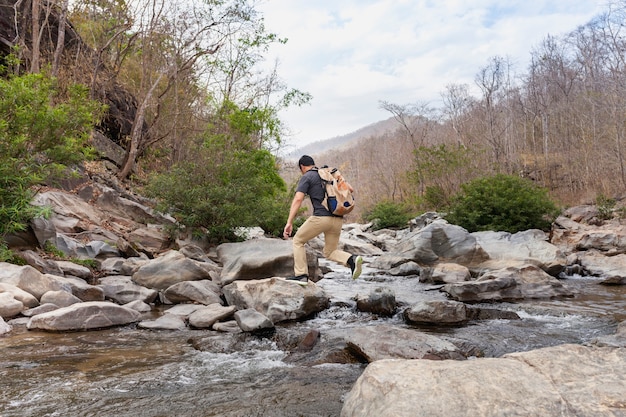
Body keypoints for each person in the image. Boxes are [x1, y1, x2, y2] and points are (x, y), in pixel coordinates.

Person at [283, 155, 363, 284]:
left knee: (298, 241)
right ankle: (351, 259)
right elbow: (350, 189)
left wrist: (289, 222)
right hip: (337, 219)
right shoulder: (328, 174)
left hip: (321, 218)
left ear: (302, 167)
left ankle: (301, 275)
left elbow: (298, 199)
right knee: (330, 252)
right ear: (313, 164)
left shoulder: (307, 176)